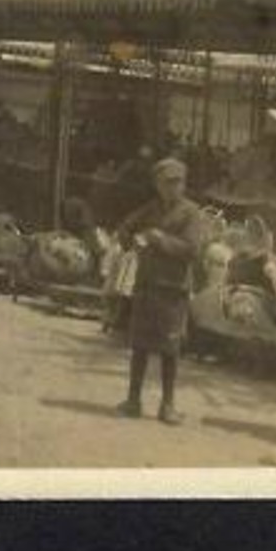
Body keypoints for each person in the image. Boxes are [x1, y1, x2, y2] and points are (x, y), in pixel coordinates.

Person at [113, 158, 210, 425]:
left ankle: (168, 405)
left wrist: (160, 240)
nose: (172, 188)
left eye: (177, 182)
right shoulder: (150, 209)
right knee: (140, 345)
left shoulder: (192, 213)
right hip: (147, 284)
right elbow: (124, 230)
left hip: (173, 288)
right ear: (156, 185)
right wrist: (135, 240)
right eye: (166, 183)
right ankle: (133, 400)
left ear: (184, 184)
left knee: (170, 348)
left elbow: (192, 249)